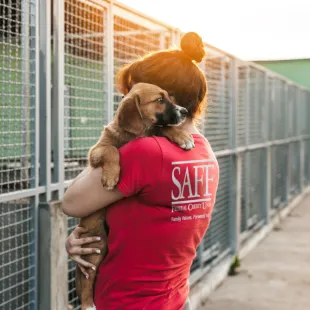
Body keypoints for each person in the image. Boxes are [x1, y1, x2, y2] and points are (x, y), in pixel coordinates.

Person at [63, 32, 219, 310]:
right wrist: (89, 236)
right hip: (173, 297)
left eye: (132, 92)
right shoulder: (205, 153)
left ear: (163, 95)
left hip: (126, 301)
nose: (127, 99)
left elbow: (71, 202)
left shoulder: (146, 152)